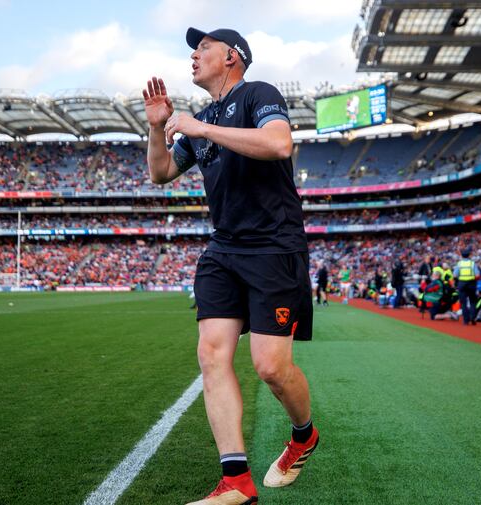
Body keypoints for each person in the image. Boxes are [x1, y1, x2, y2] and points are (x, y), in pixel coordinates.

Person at [144, 27, 318, 504]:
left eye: (203, 48)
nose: (194, 56)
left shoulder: (259, 94)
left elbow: (279, 144)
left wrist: (202, 128)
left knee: (270, 368)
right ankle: (236, 480)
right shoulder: (200, 119)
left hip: (273, 246)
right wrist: (159, 128)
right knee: (211, 354)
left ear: (233, 57)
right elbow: (159, 173)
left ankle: (304, 435)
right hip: (224, 250)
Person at [454, 248, 479, 326]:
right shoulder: (472, 263)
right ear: (469, 255)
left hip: (462, 284)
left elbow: (455, 275)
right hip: (471, 283)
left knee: (463, 303)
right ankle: (473, 318)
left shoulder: (459, 263)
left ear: (461, 255)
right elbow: (477, 275)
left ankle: (466, 320)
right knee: (472, 302)